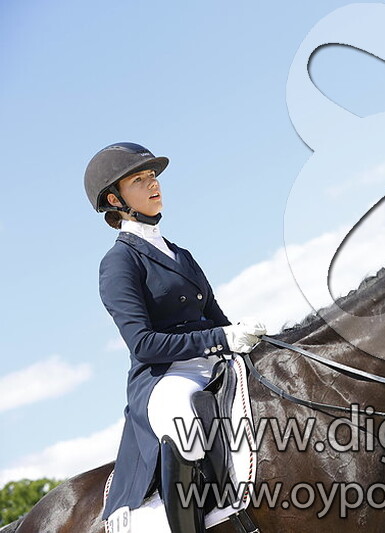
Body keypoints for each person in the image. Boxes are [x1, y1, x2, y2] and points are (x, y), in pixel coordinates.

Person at [85, 142, 266, 532]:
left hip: (212, 361)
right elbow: (143, 344)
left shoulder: (180, 254)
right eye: (139, 179)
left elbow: (218, 321)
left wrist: (246, 339)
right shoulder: (119, 262)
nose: (153, 184)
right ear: (115, 199)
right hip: (165, 376)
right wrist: (221, 338)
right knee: (182, 415)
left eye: (152, 176)